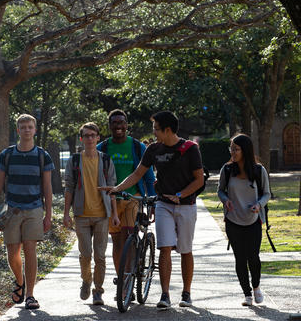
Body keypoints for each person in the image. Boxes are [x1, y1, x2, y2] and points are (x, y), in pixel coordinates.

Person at [109, 111, 204, 309]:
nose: (153, 133)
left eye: (156, 129)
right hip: (163, 204)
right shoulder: (153, 149)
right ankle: (165, 295)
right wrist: (117, 188)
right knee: (165, 248)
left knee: (185, 249)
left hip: (186, 205)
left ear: (167, 130)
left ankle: (186, 293)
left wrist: (180, 194)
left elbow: (199, 180)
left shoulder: (190, 149)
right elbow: (137, 174)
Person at [0, 114, 54, 310]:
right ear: (18, 130)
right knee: (12, 252)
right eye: (23, 127)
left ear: (35, 130)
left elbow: (48, 187)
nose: (26, 130)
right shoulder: (7, 154)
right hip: (12, 210)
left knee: (30, 249)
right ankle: (19, 280)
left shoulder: (43, 156)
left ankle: (30, 295)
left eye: (30, 127)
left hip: (34, 209)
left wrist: (48, 214)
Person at [63, 122, 120, 305]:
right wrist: (66, 214)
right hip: (81, 215)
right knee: (85, 254)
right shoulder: (74, 161)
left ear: (98, 138)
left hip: (102, 215)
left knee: (100, 256)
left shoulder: (105, 160)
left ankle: (98, 291)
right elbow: (69, 188)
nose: (89, 138)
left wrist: (115, 214)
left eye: (92, 135)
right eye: (86, 135)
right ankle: (86, 280)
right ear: (81, 138)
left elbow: (113, 188)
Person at [96, 109, 156, 282]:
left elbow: (149, 177)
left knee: (129, 238)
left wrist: (152, 202)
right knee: (117, 243)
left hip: (132, 199)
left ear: (127, 125)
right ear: (109, 126)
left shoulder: (138, 147)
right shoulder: (103, 148)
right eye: (114, 123)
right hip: (110, 201)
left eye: (121, 122)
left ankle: (129, 278)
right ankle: (122, 278)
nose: (118, 126)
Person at [217, 133, 270, 306]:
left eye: (236, 149)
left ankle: (256, 287)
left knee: (253, 257)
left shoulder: (258, 170)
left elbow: (267, 194)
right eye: (231, 148)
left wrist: (259, 205)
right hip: (233, 221)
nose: (232, 152)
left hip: (253, 220)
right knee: (240, 258)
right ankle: (247, 294)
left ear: (245, 150)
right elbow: (220, 191)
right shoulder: (226, 169)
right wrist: (226, 200)